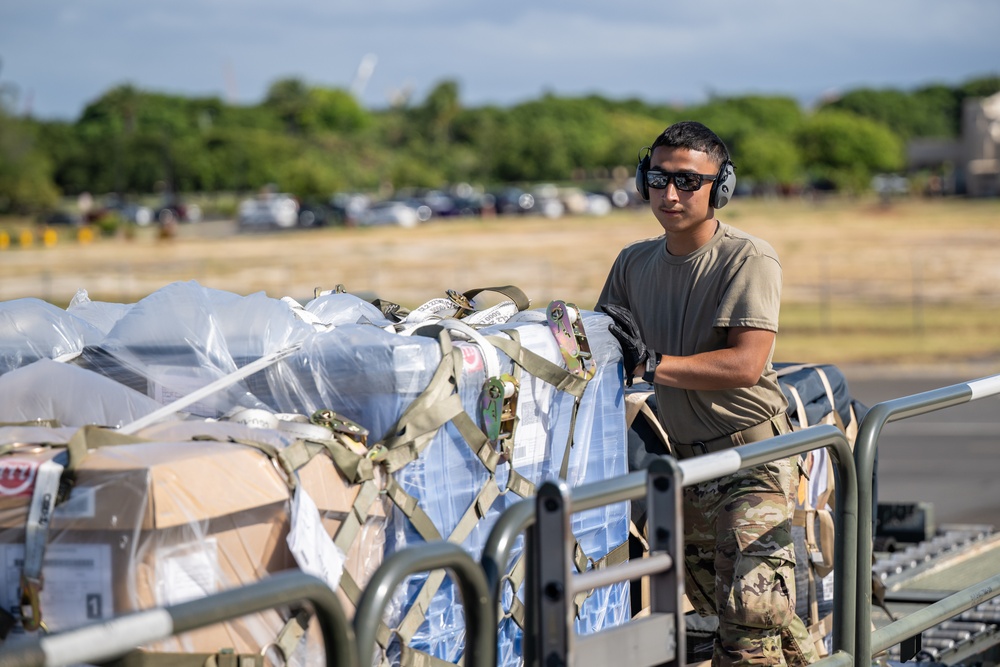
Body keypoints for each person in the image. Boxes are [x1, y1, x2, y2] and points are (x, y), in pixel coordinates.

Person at [597, 121, 818, 666]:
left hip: (752, 460)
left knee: (749, 628)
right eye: (658, 178)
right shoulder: (633, 263)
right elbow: (604, 345)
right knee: (751, 622)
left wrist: (653, 364)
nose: (670, 194)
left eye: (689, 182)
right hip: (690, 467)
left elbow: (746, 363)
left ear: (720, 188)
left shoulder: (748, 258)